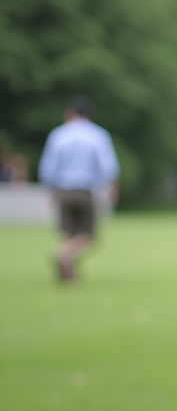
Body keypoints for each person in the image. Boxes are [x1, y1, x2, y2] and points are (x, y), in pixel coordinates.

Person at [37, 96, 120, 282]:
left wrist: (50, 191)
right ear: (90, 114)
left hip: (62, 190)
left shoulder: (58, 135)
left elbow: (48, 167)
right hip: (84, 190)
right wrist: (112, 186)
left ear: (69, 113)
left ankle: (69, 271)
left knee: (67, 231)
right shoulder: (97, 135)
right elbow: (108, 165)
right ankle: (64, 257)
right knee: (88, 236)